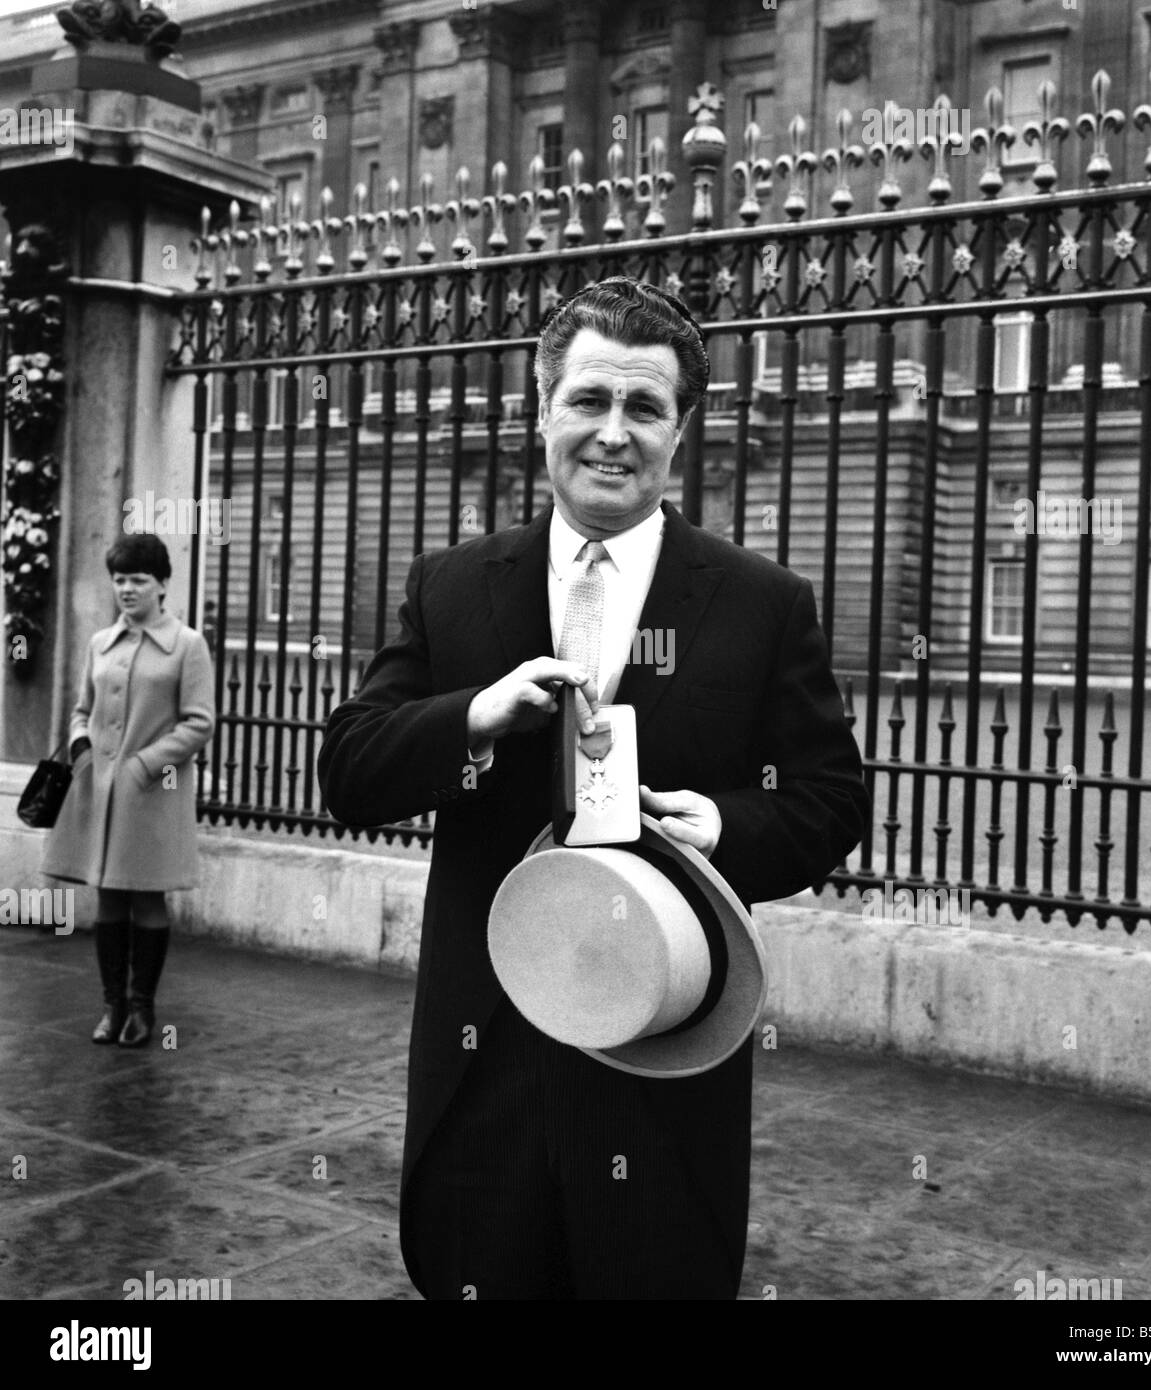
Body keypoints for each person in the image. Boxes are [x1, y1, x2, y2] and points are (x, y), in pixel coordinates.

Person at [318, 277, 868, 1300]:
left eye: (643, 408)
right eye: (588, 401)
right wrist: (473, 717)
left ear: (680, 429)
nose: (612, 434)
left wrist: (721, 826)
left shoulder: (760, 602)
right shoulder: (452, 585)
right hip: (484, 1069)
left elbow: (831, 799)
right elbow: (349, 768)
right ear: (541, 412)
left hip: (664, 1069)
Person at [42, 533, 216, 1047]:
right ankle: (111, 1007)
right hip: (101, 794)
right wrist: (81, 748)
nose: (127, 589)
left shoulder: (187, 645)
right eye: (119, 579)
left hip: (153, 795)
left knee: (148, 900)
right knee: (109, 899)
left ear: (163, 584)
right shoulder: (100, 642)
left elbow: (200, 722)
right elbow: (81, 711)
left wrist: (144, 764)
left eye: (139, 579)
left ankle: (143, 1009)